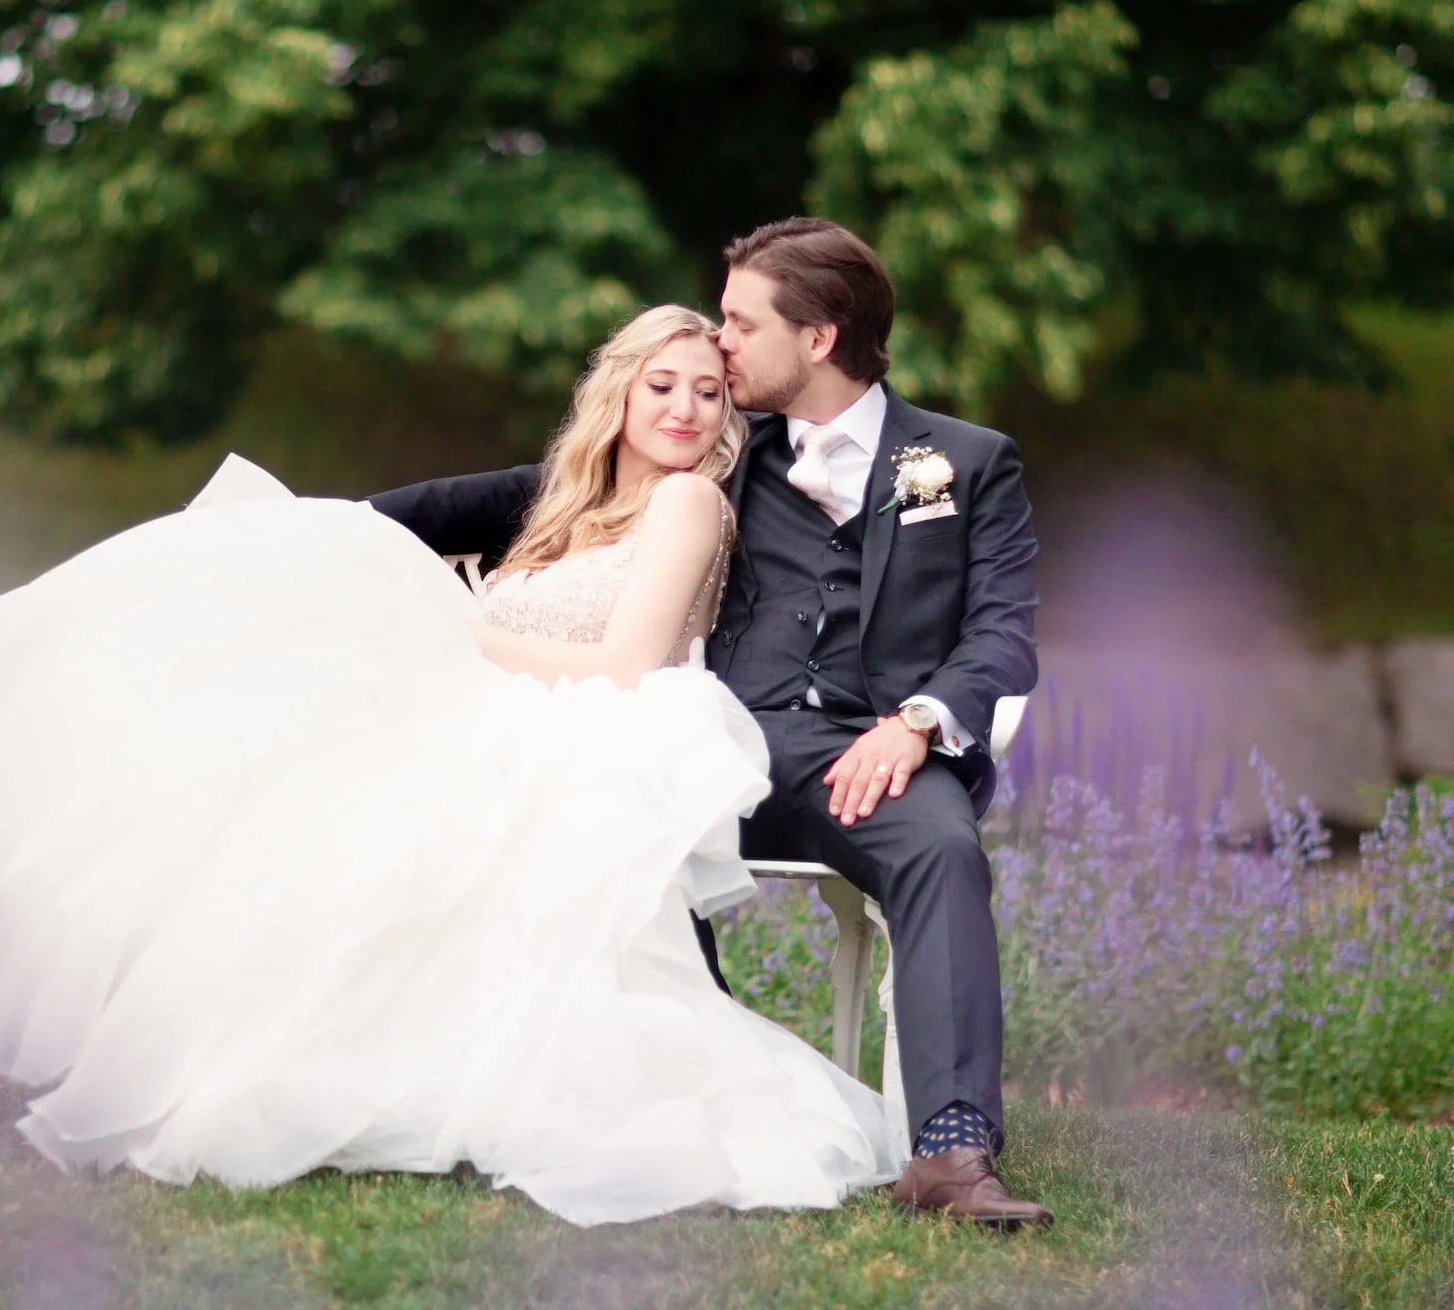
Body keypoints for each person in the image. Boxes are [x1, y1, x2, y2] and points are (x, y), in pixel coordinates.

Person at [0, 304, 904, 1227]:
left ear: (729, 411)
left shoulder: (686, 503)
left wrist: (453, 631)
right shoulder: (565, 512)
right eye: (661, 383)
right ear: (619, 392)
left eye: (709, 390)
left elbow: (625, 664)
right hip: (509, 705)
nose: (684, 406)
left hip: (588, 720)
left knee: (366, 796)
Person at [371, 218, 1051, 1228]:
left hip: (878, 753)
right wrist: (327, 530)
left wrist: (917, 722)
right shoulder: (719, 451)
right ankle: (631, 1086)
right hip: (719, 740)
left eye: (739, 322)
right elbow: (533, 493)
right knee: (603, 789)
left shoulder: (965, 460)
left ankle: (951, 1154)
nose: (719, 343)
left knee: (943, 848)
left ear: (815, 338)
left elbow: (1002, 634)